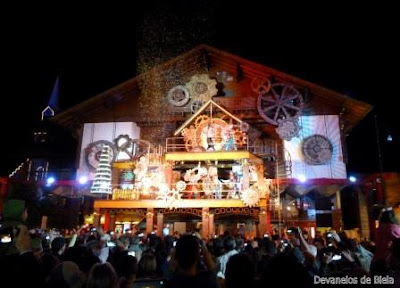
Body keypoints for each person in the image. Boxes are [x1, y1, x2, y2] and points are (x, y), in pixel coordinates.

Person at [371, 206, 400, 273]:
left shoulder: (380, 230)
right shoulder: (397, 229)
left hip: (378, 262)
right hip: (391, 263)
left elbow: (377, 244)